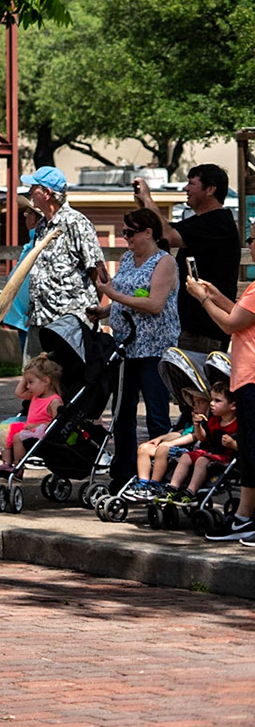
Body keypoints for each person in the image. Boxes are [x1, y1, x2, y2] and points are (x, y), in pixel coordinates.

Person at [93, 206, 180, 492]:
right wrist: (104, 310)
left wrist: (113, 295)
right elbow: (125, 298)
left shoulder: (164, 262)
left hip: (154, 349)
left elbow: (154, 304)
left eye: (130, 232)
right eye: (123, 232)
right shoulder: (129, 258)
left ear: (148, 232)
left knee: (157, 415)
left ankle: (162, 476)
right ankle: (125, 473)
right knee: (122, 413)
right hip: (126, 347)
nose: (125, 237)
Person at [187, 224, 255, 540]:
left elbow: (230, 325)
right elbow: (240, 315)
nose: (250, 245)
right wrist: (215, 294)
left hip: (251, 378)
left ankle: (244, 519)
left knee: (251, 452)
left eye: (252, 239)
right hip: (247, 378)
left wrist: (202, 300)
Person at [137, 164, 238, 352]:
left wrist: (148, 198)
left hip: (204, 331)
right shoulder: (201, 221)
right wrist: (143, 204)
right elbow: (160, 234)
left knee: (195, 381)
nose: (185, 189)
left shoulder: (218, 223)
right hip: (190, 328)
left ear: (210, 189)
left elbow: (168, 235)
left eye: (191, 184)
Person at [18, 166, 105, 348]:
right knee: (35, 373)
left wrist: (91, 310)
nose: (30, 192)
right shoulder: (42, 227)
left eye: (34, 187)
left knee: (67, 375)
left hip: (69, 324)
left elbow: (97, 270)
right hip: (40, 320)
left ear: (47, 193)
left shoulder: (77, 223)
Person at [0, 356, 63, 474]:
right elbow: (18, 393)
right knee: (4, 428)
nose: (27, 386)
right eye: (27, 382)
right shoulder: (35, 395)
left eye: (30, 382)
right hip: (30, 427)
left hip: (43, 431)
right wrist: (26, 376)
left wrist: (39, 425)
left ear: (46, 381)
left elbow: (57, 423)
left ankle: (18, 468)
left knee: (17, 437)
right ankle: (6, 463)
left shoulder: (54, 401)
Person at [167, 384, 237, 503]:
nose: (211, 404)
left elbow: (245, 447)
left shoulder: (238, 425)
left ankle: (191, 491)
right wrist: (197, 425)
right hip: (209, 452)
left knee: (202, 460)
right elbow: (203, 438)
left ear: (233, 406)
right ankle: (173, 487)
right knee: (186, 457)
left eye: (217, 401)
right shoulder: (214, 421)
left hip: (226, 457)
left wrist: (232, 444)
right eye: (211, 399)